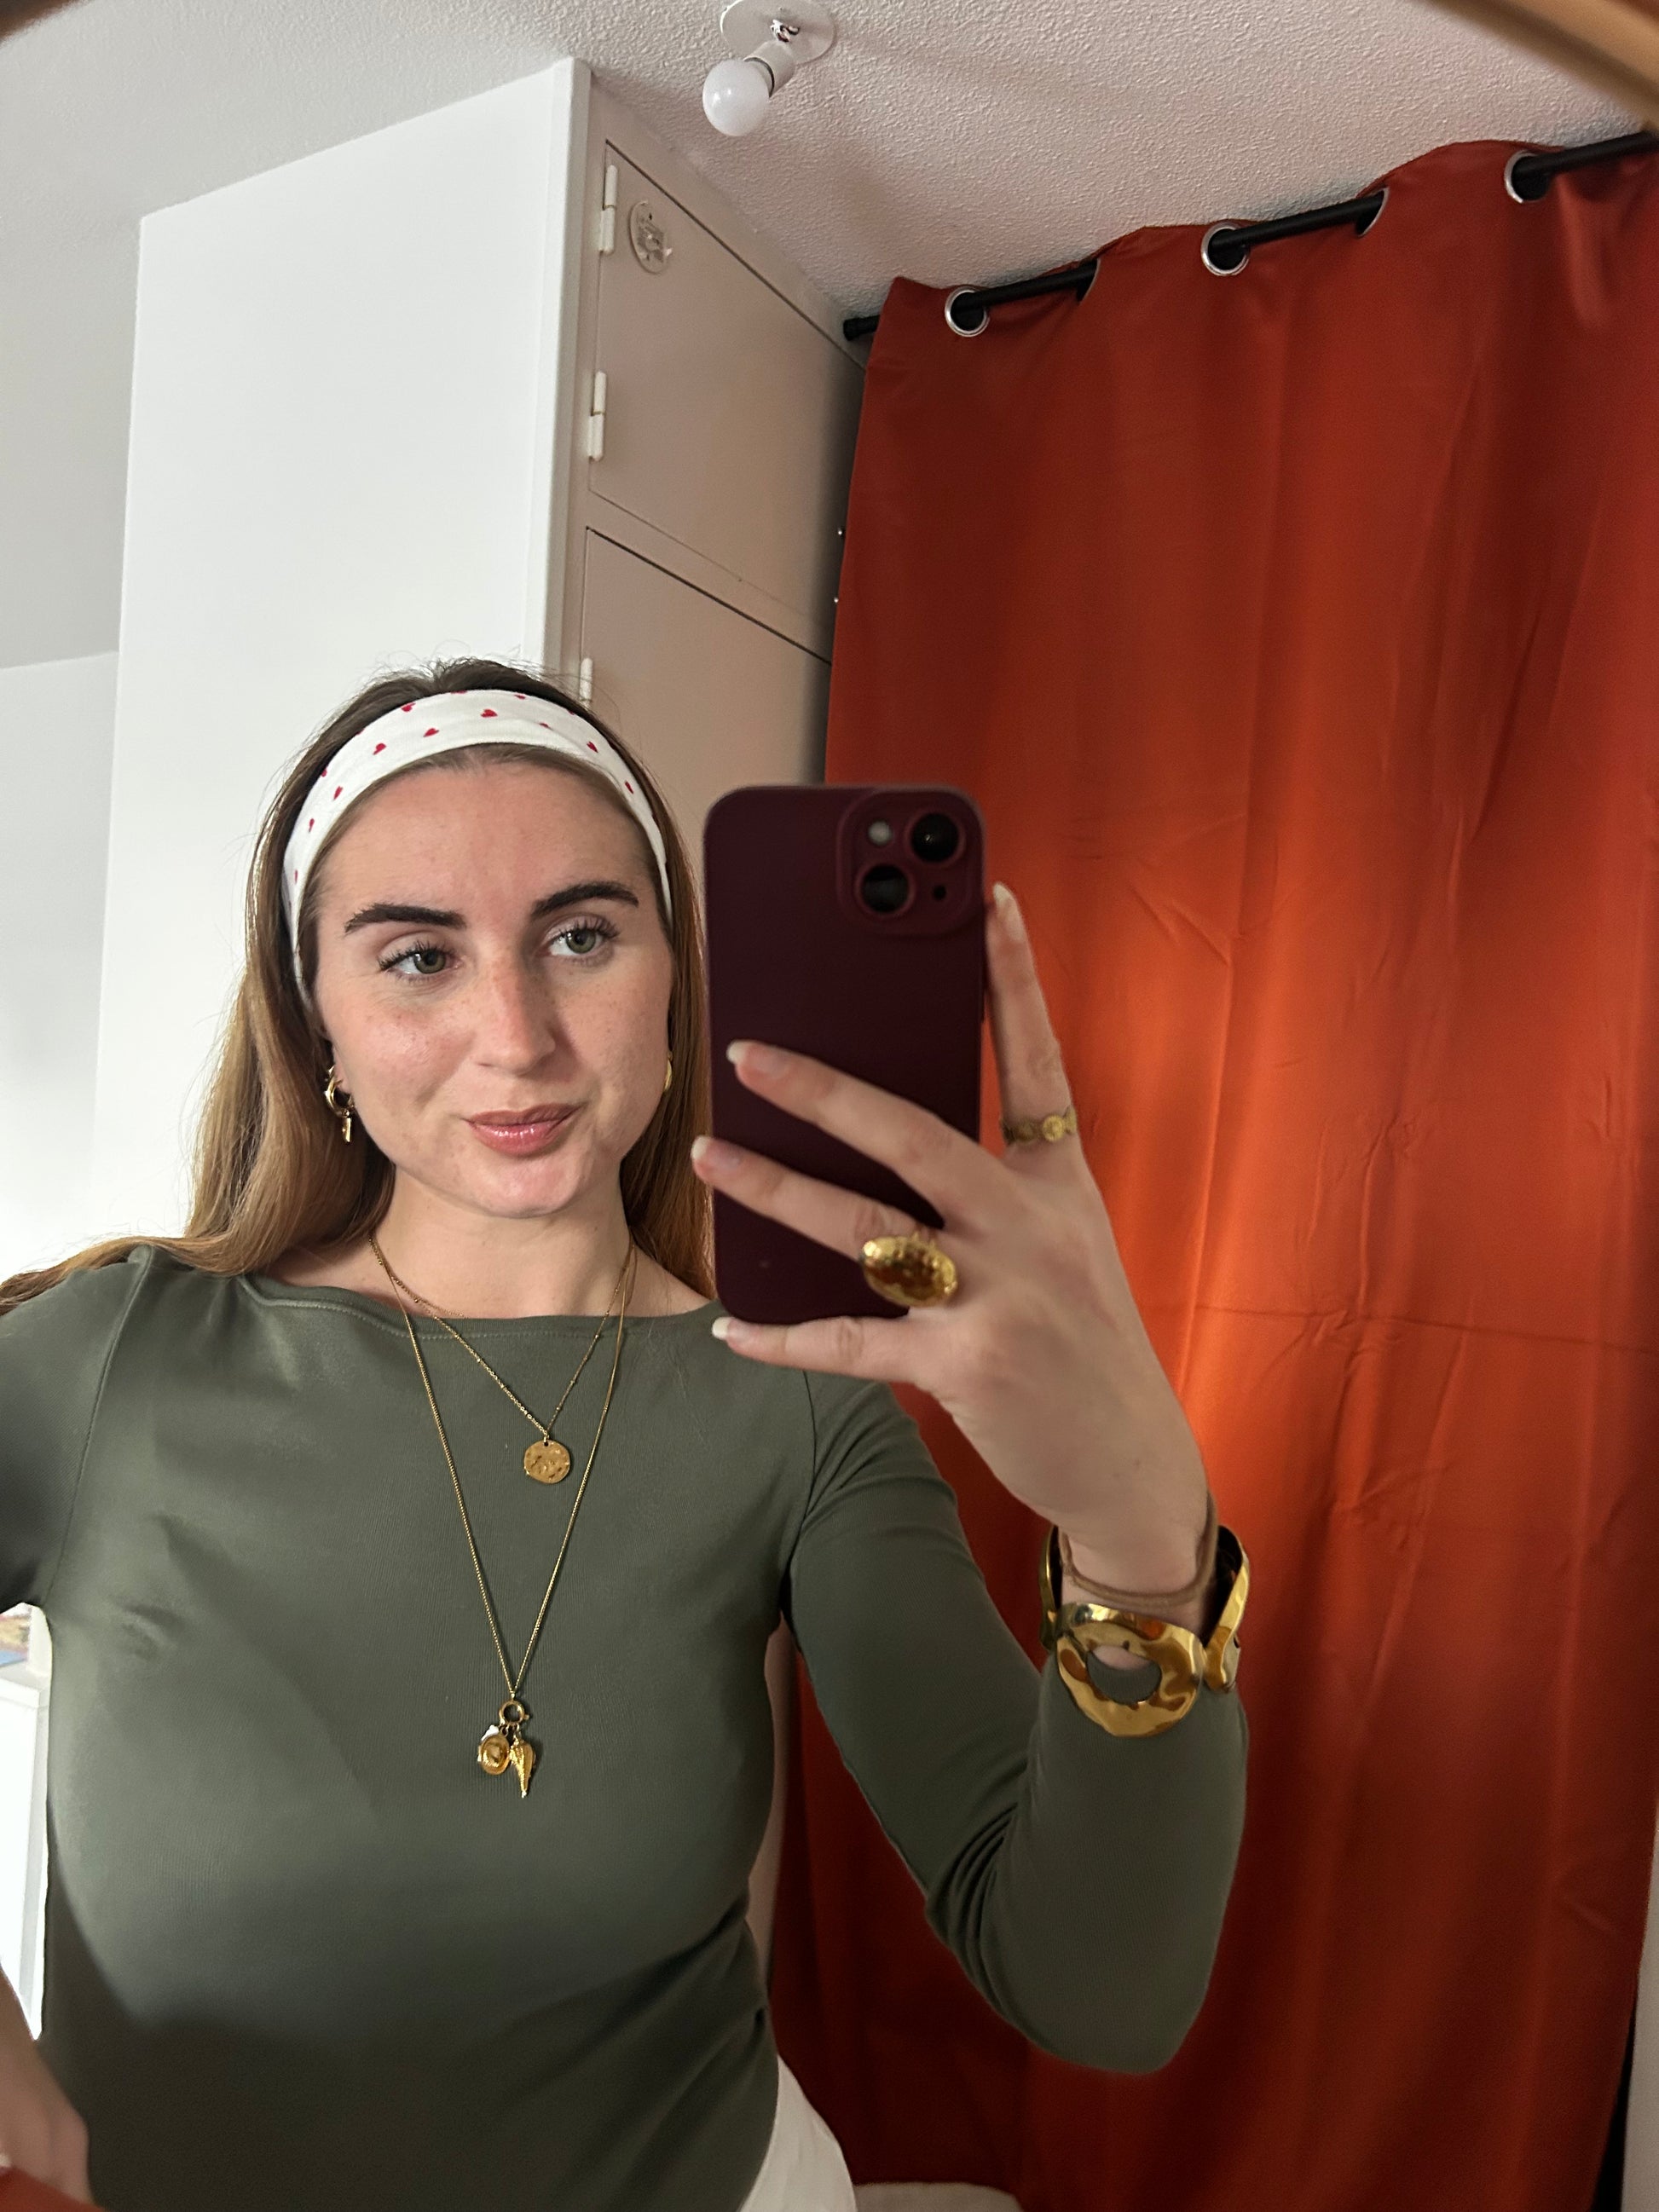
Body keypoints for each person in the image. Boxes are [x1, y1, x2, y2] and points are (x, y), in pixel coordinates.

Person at [0, 657, 1249, 2212]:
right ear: (314, 1013)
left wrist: (1140, 1540)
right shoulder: (113, 1357)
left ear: (673, 983)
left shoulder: (800, 1404)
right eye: (417, 958)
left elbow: (1101, 1991)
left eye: (580, 936)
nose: (515, 1035)